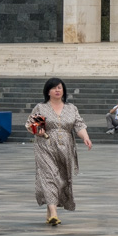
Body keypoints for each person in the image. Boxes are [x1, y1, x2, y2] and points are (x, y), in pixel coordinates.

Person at [27, 77, 92, 225]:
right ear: (47, 91)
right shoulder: (41, 108)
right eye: (54, 88)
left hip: (65, 148)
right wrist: (39, 130)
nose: (57, 90)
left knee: (62, 179)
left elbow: (79, 125)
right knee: (49, 176)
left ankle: (50, 212)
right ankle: (54, 213)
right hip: (45, 146)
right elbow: (32, 125)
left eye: (60, 87)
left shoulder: (71, 108)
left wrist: (85, 137)